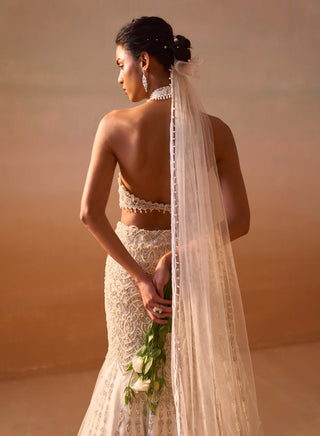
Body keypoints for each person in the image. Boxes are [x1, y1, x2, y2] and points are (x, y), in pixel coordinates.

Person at [78, 16, 264, 436]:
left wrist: (142, 278)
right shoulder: (216, 131)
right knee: (190, 376)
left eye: (120, 64)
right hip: (191, 267)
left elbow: (90, 213)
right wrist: (176, 255)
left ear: (143, 61)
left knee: (130, 374)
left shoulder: (113, 126)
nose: (118, 77)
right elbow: (240, 221)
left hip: (130, 275)